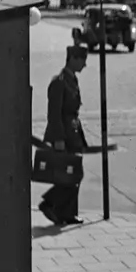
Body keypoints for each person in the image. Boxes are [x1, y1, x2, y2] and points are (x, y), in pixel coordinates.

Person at [39, 45, 89, 226]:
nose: (84, 64)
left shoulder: (71, 80)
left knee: (74, 173)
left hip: (73, 134)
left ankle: (68, 213)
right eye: (82, 60)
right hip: (63, 136)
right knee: (70, 175)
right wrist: (58, 139)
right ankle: (49, 203)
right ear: (73, 58)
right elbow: (54, 113)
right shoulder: (59, 82)